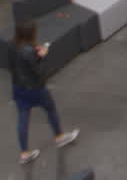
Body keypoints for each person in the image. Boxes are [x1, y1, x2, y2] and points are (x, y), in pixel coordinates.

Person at [7, 22, 79, 165]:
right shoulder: (28, 51)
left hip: (18, 88)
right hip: (35, 89)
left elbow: (19, 64)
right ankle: (59, 137)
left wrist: (35, 53)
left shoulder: (11, 45)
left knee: (23, 118)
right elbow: (40, 72)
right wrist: (43, 56)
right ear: (31, 34)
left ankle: (24, 154)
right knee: (50, 109)